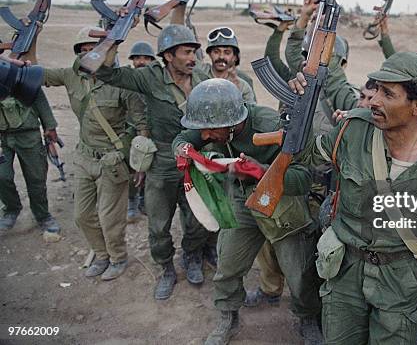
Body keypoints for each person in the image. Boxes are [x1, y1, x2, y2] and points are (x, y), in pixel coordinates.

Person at [290, 51, 417, 344]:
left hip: (399, 277)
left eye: (388, 94)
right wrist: (300, 109)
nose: (375, 101)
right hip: (344, 271)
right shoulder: (353, 129)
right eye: (377, 89)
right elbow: (306, 156)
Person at [172, 79, 323, 345]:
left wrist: (263, 172)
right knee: (228, 264)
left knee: (298, 271)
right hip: (242, 201)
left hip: (281, 203)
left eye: (209, 131)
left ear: (232, 124)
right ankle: (228, 315)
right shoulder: (211, 123)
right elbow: (185, 138)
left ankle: (308, 317)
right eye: (201, 131)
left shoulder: (271, 126)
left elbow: (303, 178)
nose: (204, 136)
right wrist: (182, 150)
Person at [91, 24, 216, 299]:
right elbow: (105, 73)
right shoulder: (149, 77)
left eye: (194, 50)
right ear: (168, 56)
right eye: (186, 51)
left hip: (196, 160)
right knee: (158, 225)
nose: (193, 57)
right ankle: (166, 268)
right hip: (162, 163)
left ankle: (192, 256)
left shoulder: (203, 76)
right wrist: (112, 42)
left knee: (197, 219)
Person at [41, 26, 147, 281]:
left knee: (110, 219)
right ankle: (101, 255)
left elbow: (141, 125)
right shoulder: (70, 76)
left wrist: (138, 162)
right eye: (84, 51)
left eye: (95, 50)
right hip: (84, 157)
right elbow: (36, 73)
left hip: (112, 161)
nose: (89, 55)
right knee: (82, 215)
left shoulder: (122, 83)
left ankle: (118, 257)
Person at [0, 86, 60, 234]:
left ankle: (42, 215)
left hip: (29, 135)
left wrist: (50, 126)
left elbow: (39, 98)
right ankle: (12, 209)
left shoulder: (22, 75)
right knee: (2, 175)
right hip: (2, 138)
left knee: (36, 177)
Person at [125, 41, 156, 223]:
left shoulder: (157, 82)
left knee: (150, 169)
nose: (141, 61)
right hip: (131, 133)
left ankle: (144, 199)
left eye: (146, 58)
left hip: (153, 132)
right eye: (137, 58)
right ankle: (132, 200)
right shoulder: (127, 81)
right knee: (132, 170)